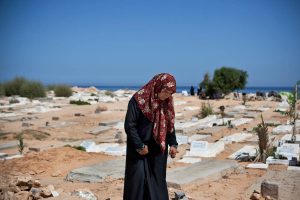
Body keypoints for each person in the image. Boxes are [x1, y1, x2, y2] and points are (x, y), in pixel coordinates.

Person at [123, 73, 178, 200]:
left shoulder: (166, 101)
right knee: (137, 185)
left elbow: (169, 124)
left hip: (157, 150)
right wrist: (139, 145)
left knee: (157, 183)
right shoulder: (138, 100)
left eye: (171, 93)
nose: (168, 96)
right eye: (166, 91)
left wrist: (173, 143)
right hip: (139, 150)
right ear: (158, 86)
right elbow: (129, 125)